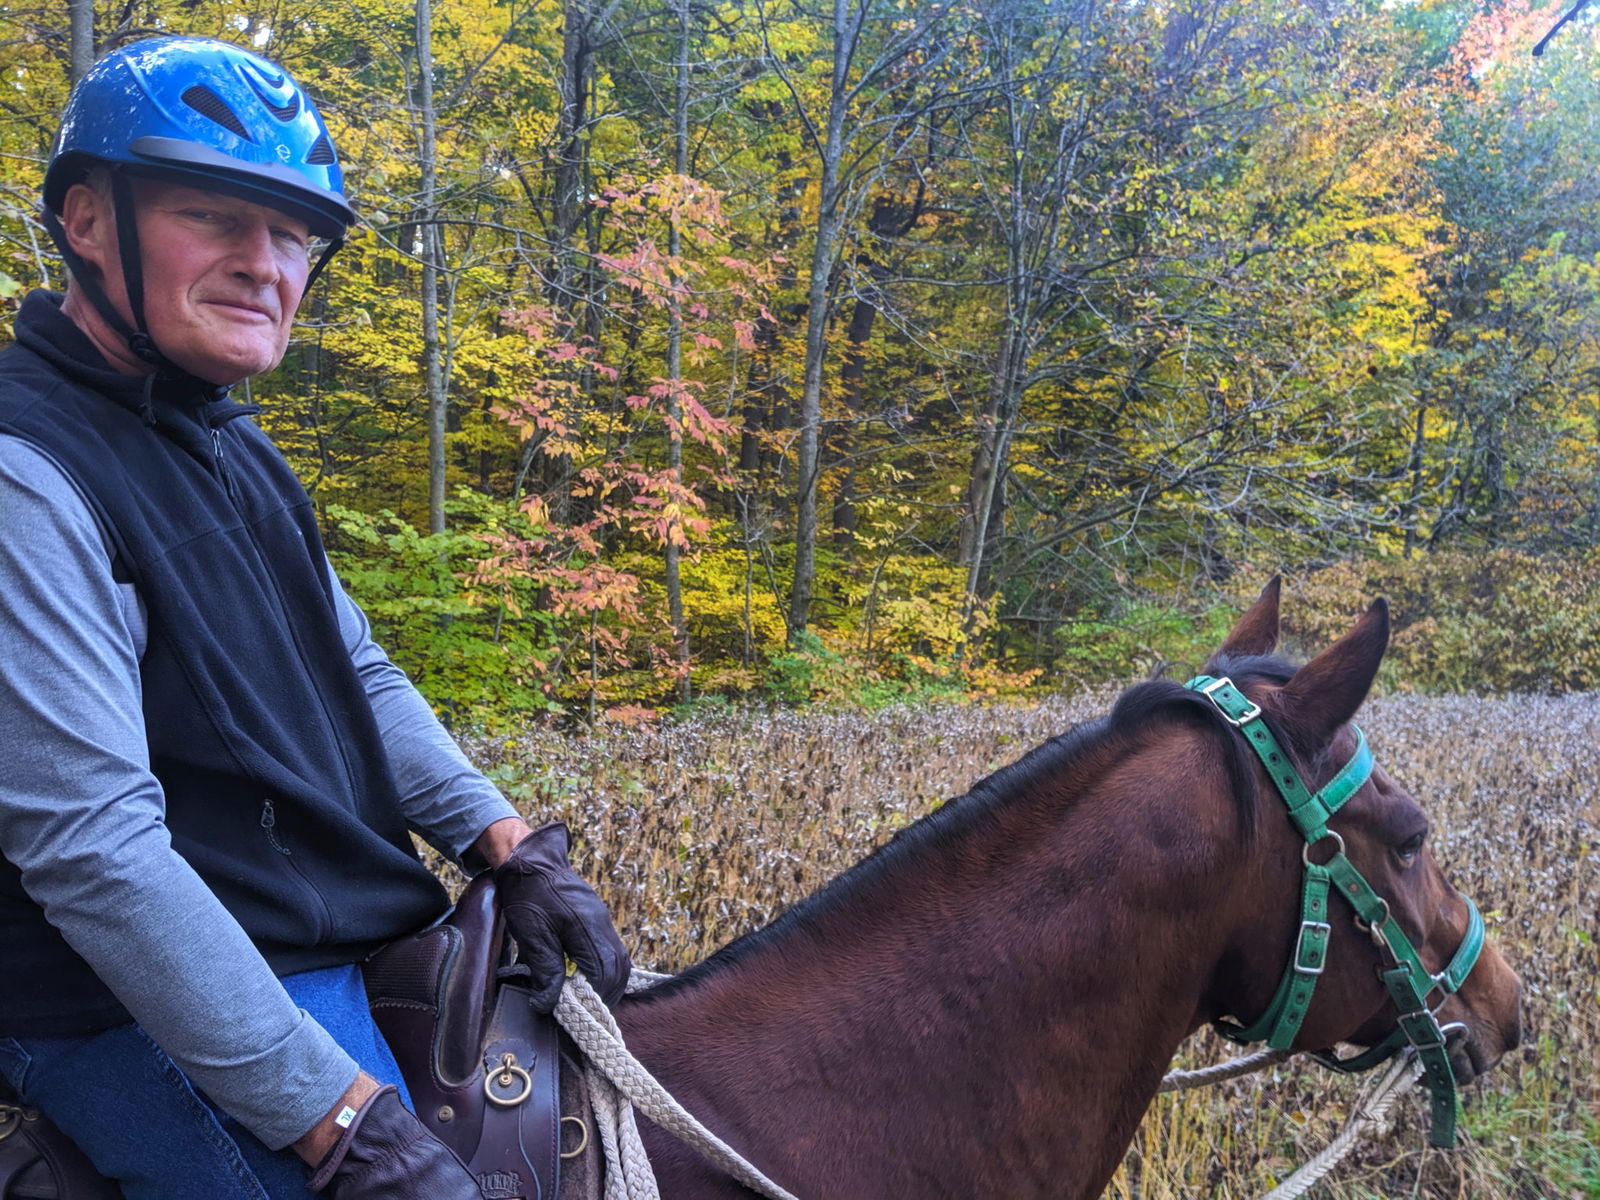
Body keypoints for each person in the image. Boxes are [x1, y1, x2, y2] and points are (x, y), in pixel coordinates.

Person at [0, 35, 630, 1199]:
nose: (264, 265)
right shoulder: (26, 471)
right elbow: (93, 853)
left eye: (292, 236)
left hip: (308, 936)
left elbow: (355, 670)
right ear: (88, 222)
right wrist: (342, 1126)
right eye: (213, 218)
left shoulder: (227, 440)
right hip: (109, 998)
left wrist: (510, 848)